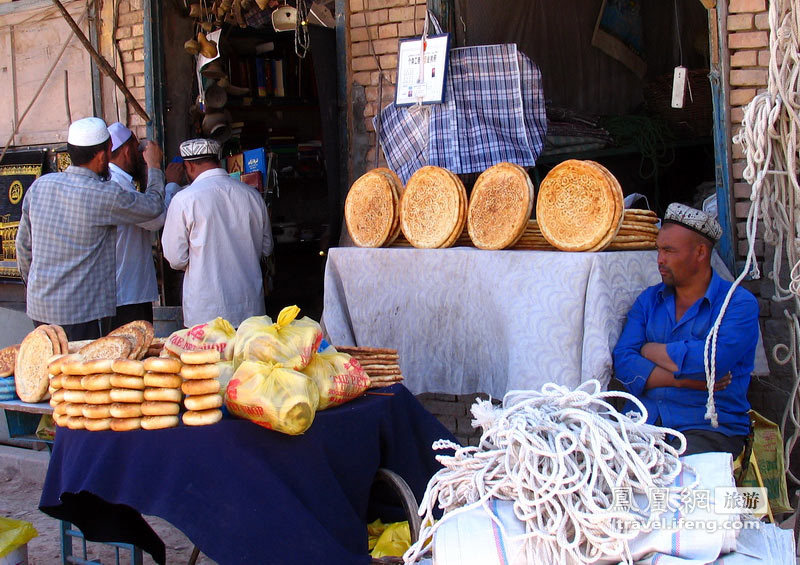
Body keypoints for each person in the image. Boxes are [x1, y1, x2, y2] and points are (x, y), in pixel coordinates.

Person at [613, 203, 759, 457]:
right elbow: (623, 363)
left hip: (708, 429)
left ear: (700, 252)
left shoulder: (738, 303)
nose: (660, 260)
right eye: (659, 250)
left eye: (669, 251)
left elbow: (710, 363)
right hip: (641, 422)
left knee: (678, 482)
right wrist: (689, 381)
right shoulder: (649, 300)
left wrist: (648, 350)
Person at [15, 117, 165, 341]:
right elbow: (153, 207)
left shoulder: (40, 186)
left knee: (53, 370)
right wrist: (154, 168)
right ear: (103, 155)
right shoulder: (104, 194)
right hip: (81, 314)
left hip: (40, 309)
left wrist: (37, 288)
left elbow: (23, 248)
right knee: (83, 372)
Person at [162, 138, 272, 327]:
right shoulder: (252, 196)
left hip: (206, 313)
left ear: (188, 166)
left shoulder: (184, 200)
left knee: (207, 358)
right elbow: (266, 248)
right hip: (250, 311)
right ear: (217, 160)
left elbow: (175, 258)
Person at [107, 122, 166, 328]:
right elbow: (154, 218)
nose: (140, 154)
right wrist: (155, 167)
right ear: (125, 151)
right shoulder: (117, 185)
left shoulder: (116, 181)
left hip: (125, 292)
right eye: (136, 148)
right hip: (128, 294)